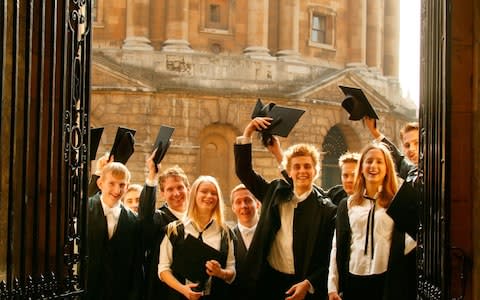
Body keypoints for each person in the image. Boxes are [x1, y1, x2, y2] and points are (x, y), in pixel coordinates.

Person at [234, 117, 337, 300]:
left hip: (304, 285)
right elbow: (244, 171)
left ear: (316, 171)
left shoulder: (326, 210)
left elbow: (329, 255)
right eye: (296, 167)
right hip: (270, 280)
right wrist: (248, 132)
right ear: (288, 171)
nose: (302, 171)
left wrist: (310, 283)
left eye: (307, 166)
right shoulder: (274, 192)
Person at [327, 142, 417, 300]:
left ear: (387, 168)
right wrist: (332, 286)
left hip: (386, 279)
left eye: (379, 161)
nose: (373, 165)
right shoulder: (347, 204)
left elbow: (414, 236)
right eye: (368, 161)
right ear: (361, 167)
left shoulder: (397, 202)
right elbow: (337, 245)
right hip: (354, 278)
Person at [158, 175, 236, 300]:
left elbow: (232, 272)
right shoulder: (174, 230)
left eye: (214, 193)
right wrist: (183, 289)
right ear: (194, 194)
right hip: (179, 296)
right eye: (204, 191)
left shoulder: (226, 233)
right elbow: (163, 269)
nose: (209, 196)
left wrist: (220, 272)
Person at [85, 162, 143, 299]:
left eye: (122, 185)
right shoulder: (85, 210)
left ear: (127, 186)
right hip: (87, 290)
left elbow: (135, 262)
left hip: (119, 292)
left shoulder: (133, 220)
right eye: (112, 183)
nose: (117, 190)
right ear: (100, 184)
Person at [139, 152, 190, 300]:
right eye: (170, 189)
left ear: (189, 188)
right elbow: (145, 216)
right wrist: (152, 177)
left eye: (180, 187)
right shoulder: (159, 218)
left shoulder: (197, 219)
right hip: (164, 291)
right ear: (162, 194)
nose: (176, 193)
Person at [229, 184, 260, 300]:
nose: (243, 206)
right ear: (233, 207)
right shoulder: (227, 238)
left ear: (258, 204)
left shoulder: (271, 234)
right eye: (238, 202)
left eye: (248, 200)